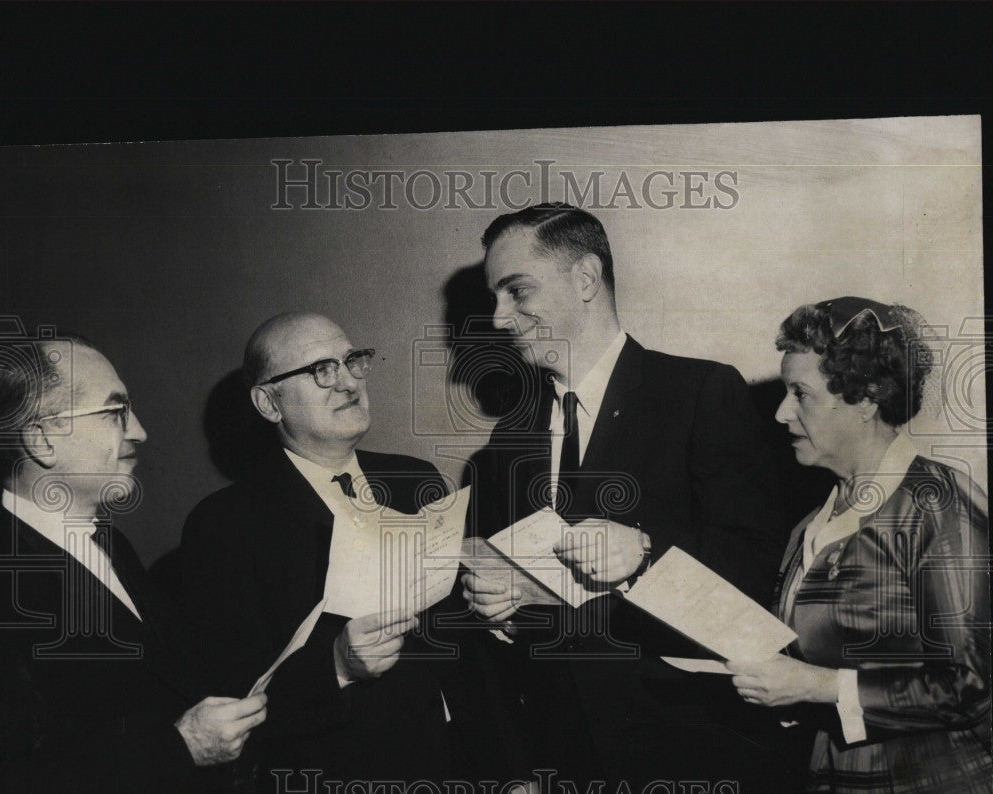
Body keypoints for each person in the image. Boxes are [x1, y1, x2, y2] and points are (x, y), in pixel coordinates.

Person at [462, 203, 790, 788]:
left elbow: (756, 572)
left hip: (691, 753)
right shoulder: (506, 441)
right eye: (495, 296)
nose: (498, 316)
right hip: (559, 759)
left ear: (585, 279)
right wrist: (498, 613)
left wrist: (644, 553)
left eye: (516, 291)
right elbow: (499, 648)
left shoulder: (699, 392)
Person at [180, 312, 480, 789]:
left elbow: (468, 650)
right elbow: (231, 700)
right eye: (321, 369)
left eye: (352, 360)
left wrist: (510, 768)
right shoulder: (223, 524)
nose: (348, 382)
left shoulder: (415, 479)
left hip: (457, 766)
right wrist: (337, 666)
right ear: (268, 402)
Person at [729, 297, 992, 793]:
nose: (782, 413)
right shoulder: (812, 522)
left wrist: (814, 686)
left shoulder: (936, 504)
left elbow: (973, 686)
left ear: (866, 399)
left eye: (800, 394)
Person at [0, 335, 266, 794]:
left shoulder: (112, 542)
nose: (138, 430)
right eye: (115, 411)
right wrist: (180, 747)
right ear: (41, 438)